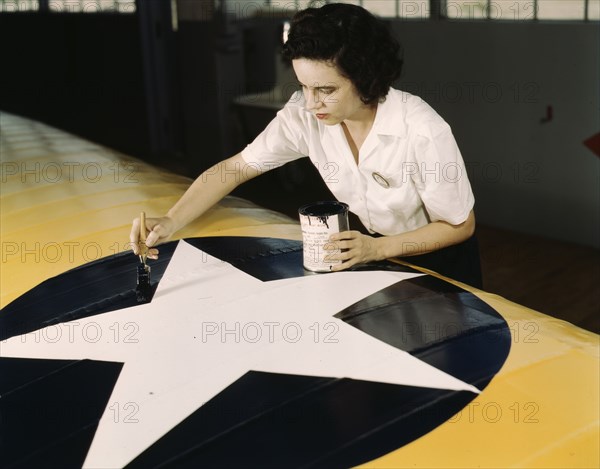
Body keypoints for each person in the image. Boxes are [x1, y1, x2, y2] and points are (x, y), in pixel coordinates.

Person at [130, 3, 482, 287]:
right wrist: (170, 221)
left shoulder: (422, 129)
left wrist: (378, 248)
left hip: (440, 260)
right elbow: (235, 168)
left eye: (326, 90)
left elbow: (459, 225)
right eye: (304, 86)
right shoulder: (304, 115)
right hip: (374, 250)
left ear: (365, 77)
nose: (311, 103)